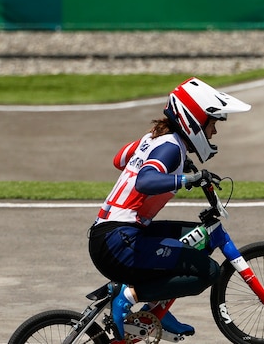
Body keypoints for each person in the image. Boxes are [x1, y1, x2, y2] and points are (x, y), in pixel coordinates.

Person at [87, 77, 250, 339]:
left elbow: (120, 159)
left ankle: (156, 309)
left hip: (115, 234)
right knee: (208, 271)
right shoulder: (171, 148)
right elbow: (145, 181)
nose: (214, 132)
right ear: (195, 121)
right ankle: (127, 297)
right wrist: (186, 178)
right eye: (213, 124)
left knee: (200, 237)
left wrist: (173, 165)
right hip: (119, 243)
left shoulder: (156, 139)